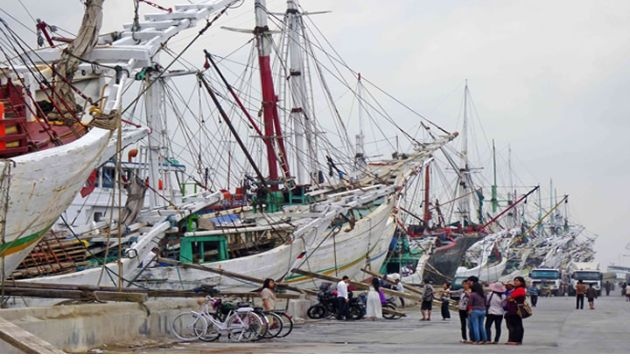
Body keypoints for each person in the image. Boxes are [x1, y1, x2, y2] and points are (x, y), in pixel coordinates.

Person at [504, 276, 527, 345]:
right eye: (515, 280)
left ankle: (516, 340)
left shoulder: (520, 289)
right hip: (512, 309)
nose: (515, 282)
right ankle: (513, 339)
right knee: (514, 325)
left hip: (516, 310)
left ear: (521, 282)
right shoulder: (516, 289)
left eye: (517, 281)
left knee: (516, 325)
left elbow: (510, 297)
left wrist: (510, 298)